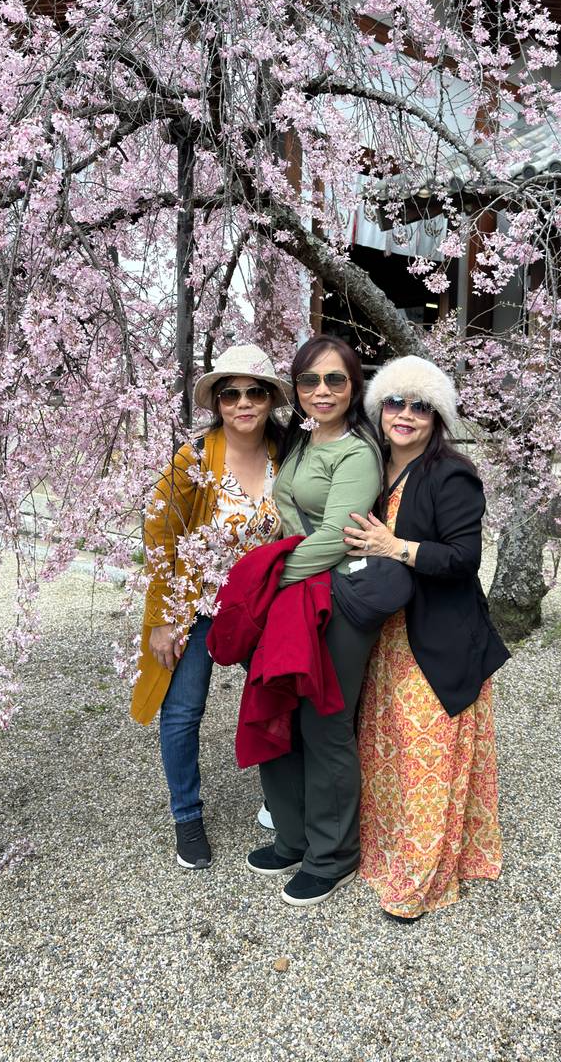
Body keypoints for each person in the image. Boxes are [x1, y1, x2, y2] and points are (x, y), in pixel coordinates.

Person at [343, 355, 511, 921]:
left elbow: (465, 559)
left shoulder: (450, 473)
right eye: (395, 402)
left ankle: (420, 879)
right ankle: (388, 853)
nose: (406, 414)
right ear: (379, 408)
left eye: (421, 405)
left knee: (426, 757)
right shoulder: (372, 467)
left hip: (436, 636)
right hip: (386, 635)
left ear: (437, 415)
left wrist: (397, 548)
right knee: (386, 748)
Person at [130, 344, 289, 869]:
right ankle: (186, 815)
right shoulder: (194, 459)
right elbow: (160, 535)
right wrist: (161, 619)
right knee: (182, 711)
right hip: (197, 603)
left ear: (270, 399)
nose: (243, 403)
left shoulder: (288, 453)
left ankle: (282, 800)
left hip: (263, 604)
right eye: (230, 393)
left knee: (282, 695)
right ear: (217, 402)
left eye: (255, 391)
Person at [246, 334, 383, 908]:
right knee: (278, 702)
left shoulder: (356, 452)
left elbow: (335, 536)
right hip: (292, 596)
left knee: (325, 722)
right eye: (309, 381)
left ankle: (333, 854)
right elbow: (287, 518)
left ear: (353, 387)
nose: (321, 391)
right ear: (296, 389)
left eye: (334, 380)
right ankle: (293, 833)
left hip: (334, 598)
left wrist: (266, 581)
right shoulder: (301, 444)